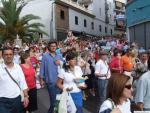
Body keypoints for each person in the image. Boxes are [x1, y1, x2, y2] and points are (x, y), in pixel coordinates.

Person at [0, 47, 29, 113]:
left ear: (13, 55)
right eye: (6, 54)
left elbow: (23, 82)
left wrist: (26, 96)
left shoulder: (18, 67)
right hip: (3, 101)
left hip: (17, 100)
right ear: (2, 56)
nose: (8, 56)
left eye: (10, 54)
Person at [40, 41, 60, 113]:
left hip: (59, 81)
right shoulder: (45, 56)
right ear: (49, 47)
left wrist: (60, 63)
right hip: (50, 81)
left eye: (54, 46)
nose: (53, 47)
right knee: (53, 100)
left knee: (58, 100)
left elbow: (64, 67)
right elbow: (42, 68)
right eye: (52, 46)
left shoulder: (59, 55)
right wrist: (41, 79)